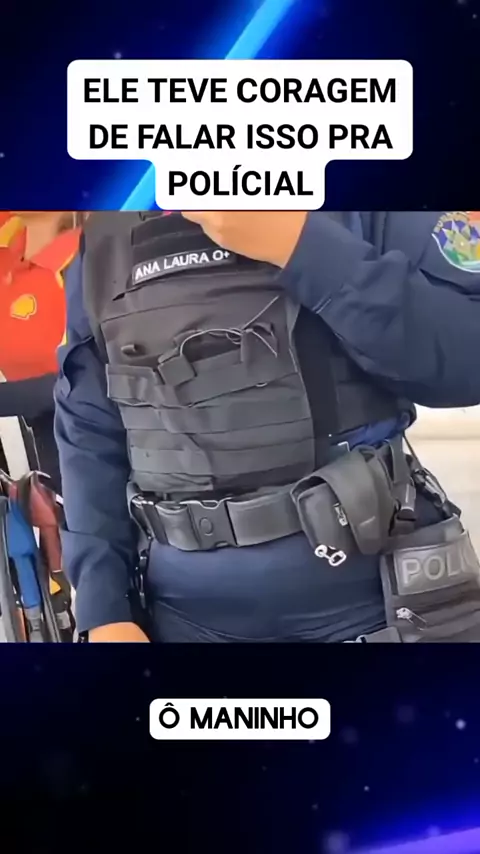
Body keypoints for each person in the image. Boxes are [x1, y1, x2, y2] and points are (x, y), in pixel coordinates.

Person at [54, 210, 480, 643]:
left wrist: (305, 247)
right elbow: (89, 432)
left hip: (371, 604)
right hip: (185, 617)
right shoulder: (109, 230)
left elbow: (468, 358)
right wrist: (104, 609)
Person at [0, 211, 82, 492]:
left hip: (84, 425)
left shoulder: (85, 257)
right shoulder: (9, 241)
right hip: (42, 423)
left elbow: (86, 380)